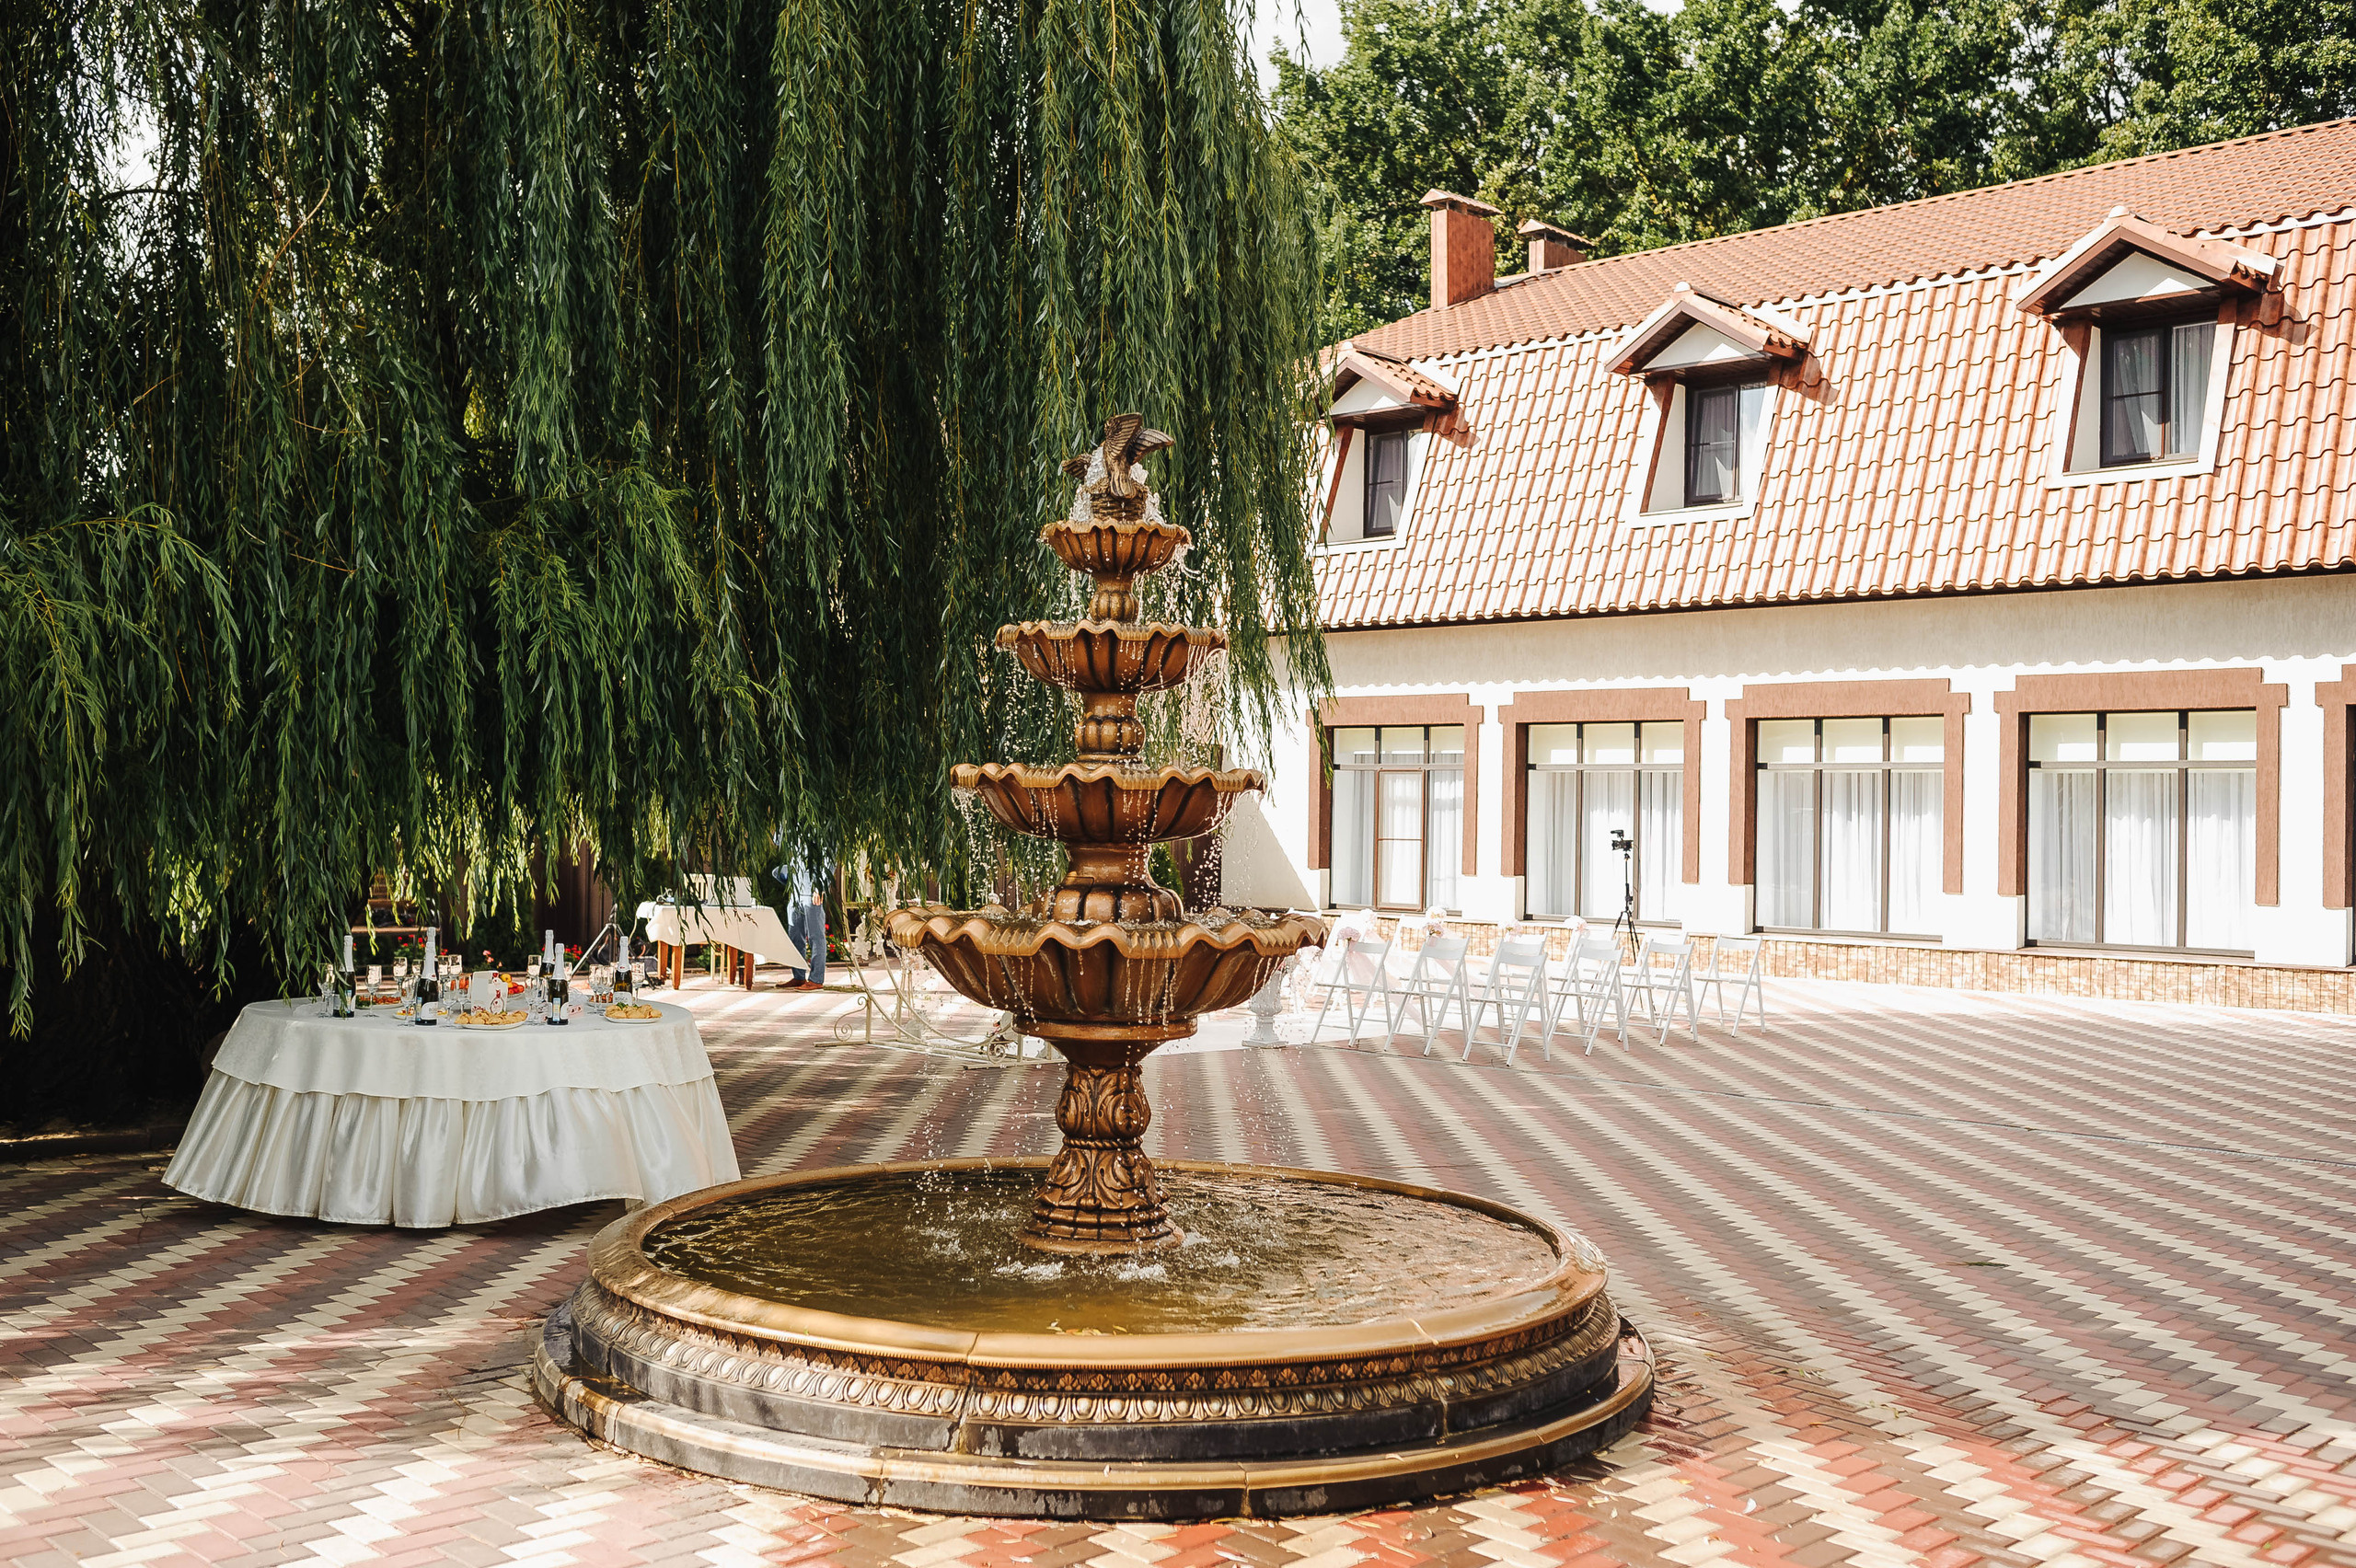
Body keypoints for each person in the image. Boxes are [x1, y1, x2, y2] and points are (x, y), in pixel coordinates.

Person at [772, 860, 829, 990]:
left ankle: (816, 979)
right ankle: (798, 977)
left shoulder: (821, 839)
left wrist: (820, 887)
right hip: (796, 892)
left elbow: (828, 861)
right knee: (795, 936)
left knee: (816, 936)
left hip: (812, 891)